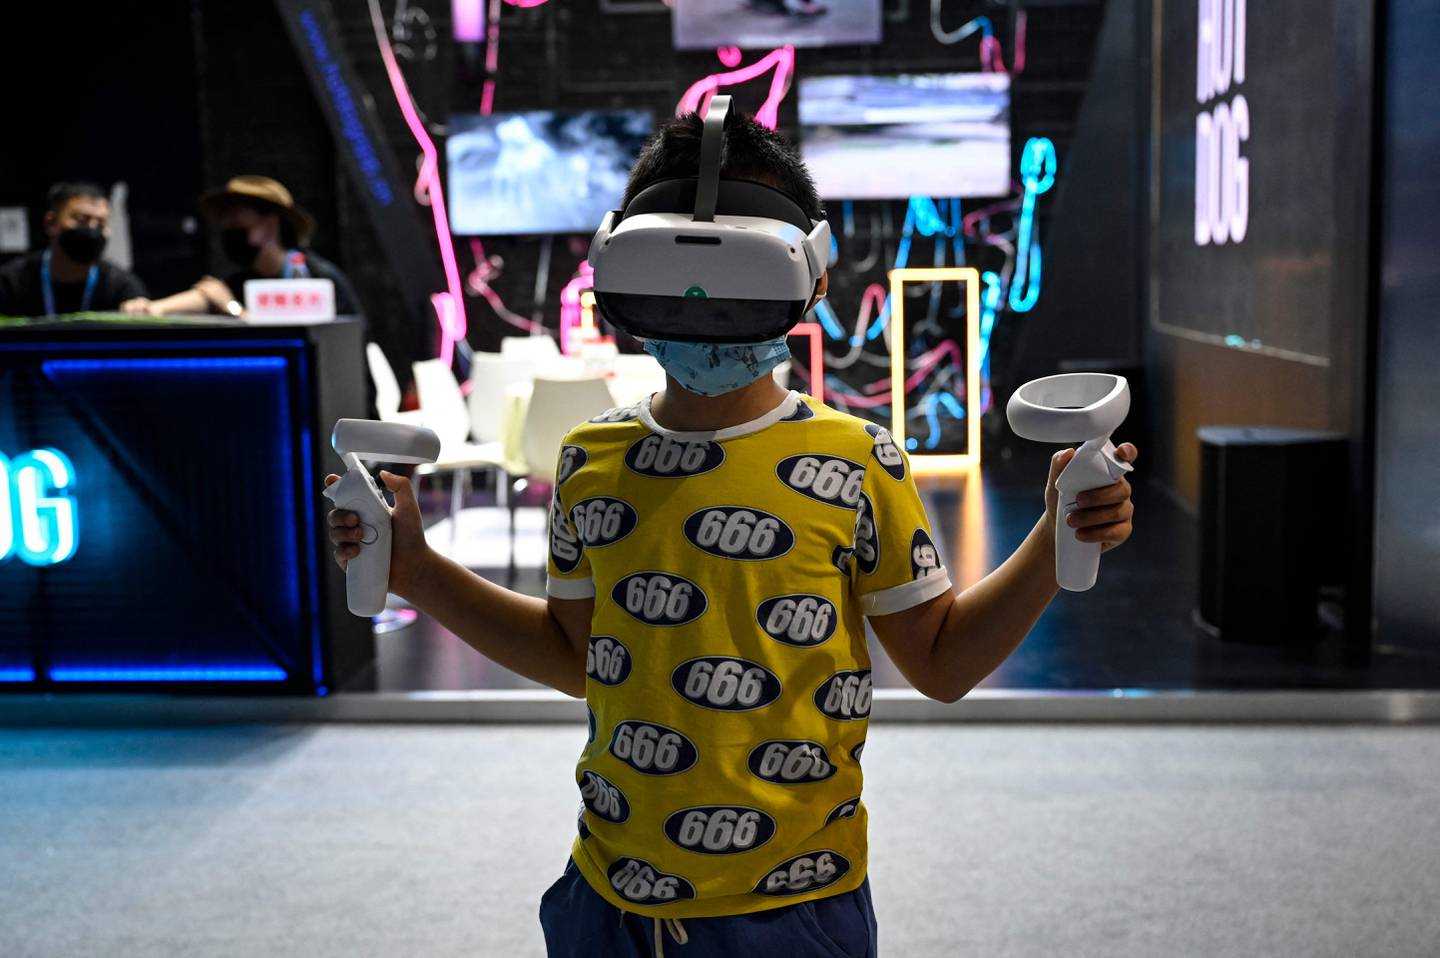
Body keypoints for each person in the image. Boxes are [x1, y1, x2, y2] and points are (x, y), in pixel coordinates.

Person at [324, 112, 1139, 957]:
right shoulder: (590, 459)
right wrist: (415, 571)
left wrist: (1054, 536)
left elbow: (941, 661)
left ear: (809, 278)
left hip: (793, 909)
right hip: (609, 894)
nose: (702, 300)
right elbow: (573, 655)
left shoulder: (858, 461)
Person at [138, 175, 361, 317]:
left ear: (270, 225)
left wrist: (234, 309)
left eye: (237, 220)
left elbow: (296, 337)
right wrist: (155, 308)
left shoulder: (317, 280)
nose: (228, 230)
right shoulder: (243, 282)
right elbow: (209, 296)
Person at [0, 181, 150, 317]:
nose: (92, 228)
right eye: (81, 220)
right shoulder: (12, 282)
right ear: (51, 223)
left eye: (101, 223)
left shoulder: (122, 287)